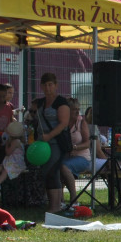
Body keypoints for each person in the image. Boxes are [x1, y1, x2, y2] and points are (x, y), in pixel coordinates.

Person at [29, 72, 70, 213]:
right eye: (45, 85)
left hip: (56, 143)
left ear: (56, 85)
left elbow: (63, 123)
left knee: (52, 172)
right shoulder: (40, 102)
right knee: (47, 172)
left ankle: (55, 206)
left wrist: (49, 135)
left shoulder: (61, 102)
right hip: (42, 144)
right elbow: (32, 113)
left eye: (50, 85)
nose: (48, 88)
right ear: (41, 86)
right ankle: (54, 205)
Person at [60, 98, 91, 206]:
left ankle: (74, 200)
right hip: (66, 156)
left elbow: (88, 143)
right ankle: (60, 201)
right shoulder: (62, 122)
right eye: (74, 109)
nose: (77, 112)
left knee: (64, 167)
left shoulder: (81, 122)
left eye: (78, 109)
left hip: (82, 158)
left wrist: (74, 147)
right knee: (56, 166)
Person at [0, 134, 26, 199]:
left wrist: (7, 144)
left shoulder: (16, 141)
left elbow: (8, 152)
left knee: (6, 171)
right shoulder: (13, 141)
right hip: (8, 161)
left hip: (16, 163)